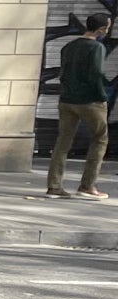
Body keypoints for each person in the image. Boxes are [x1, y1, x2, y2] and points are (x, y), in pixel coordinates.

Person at [47, 12, 111, 200]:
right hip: (90, 101)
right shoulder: (97, 47)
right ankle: (88, 186)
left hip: (67, 100)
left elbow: (64, 72)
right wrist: (101, 96)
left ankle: (54, 187)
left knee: (63, 142)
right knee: (100, 139)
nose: (109, 29)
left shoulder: (69, 46)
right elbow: (96, 74)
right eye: (108, 26)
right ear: (101, 29)